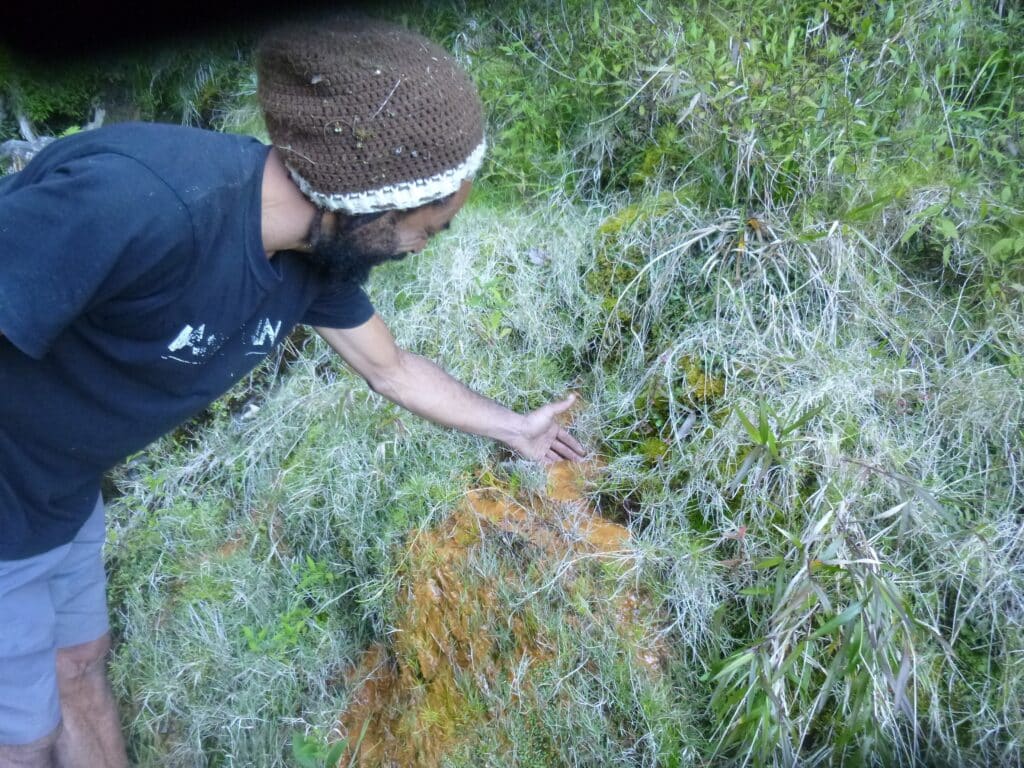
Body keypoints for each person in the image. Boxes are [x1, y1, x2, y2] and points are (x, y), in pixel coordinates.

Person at [0, 15, 586, 767]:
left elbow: (391, 367)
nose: (423, 248)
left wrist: (515, 429)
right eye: (430, 229)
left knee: (79, 666)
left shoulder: (319, 257)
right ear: (370, 198)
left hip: (62, 489)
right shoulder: (136, 202)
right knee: (21, 739)